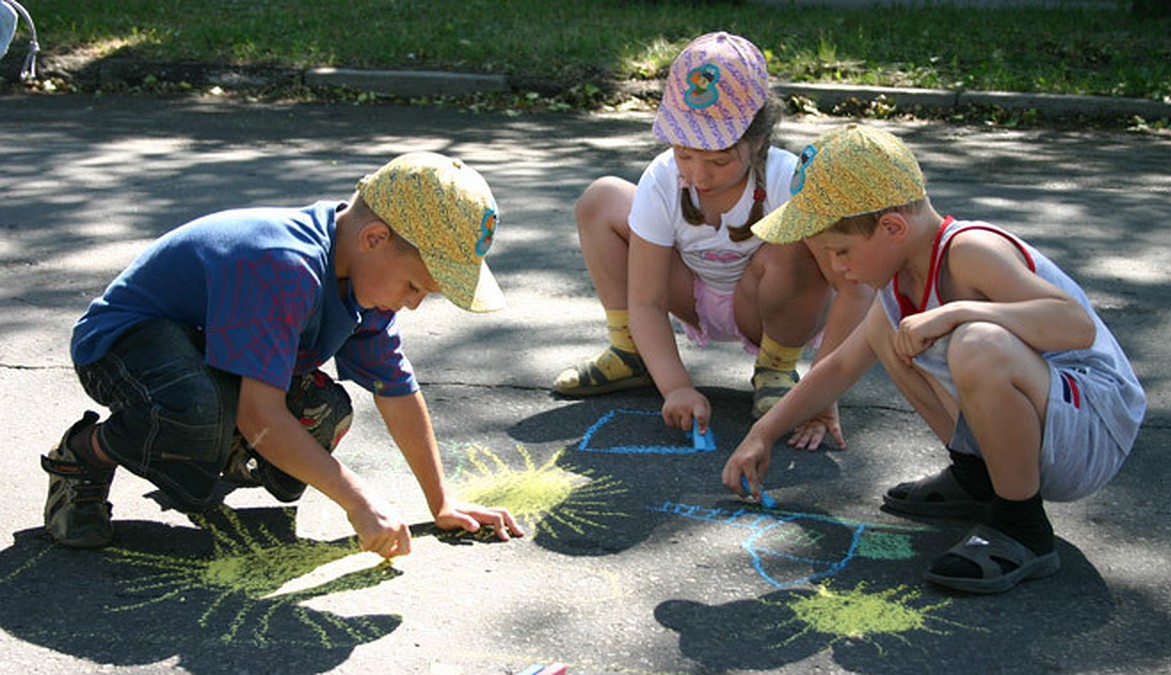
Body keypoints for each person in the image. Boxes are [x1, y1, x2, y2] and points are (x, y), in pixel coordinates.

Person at [722, 123, 1146, 594]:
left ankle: (1022, 526)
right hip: (1052, 421)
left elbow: (1076, 325)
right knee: (888, 334)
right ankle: (978, 478)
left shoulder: (969, 251)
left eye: (840, 251)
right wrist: (763, 434)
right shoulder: (895, 281)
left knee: (978, 344)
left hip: (1091, 424)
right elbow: (840, 365)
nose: (836, 268)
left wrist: (957, 312)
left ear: (892, 227)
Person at [43, 151, 525, 557]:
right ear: (374, 238)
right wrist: (358, 501)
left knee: (322, 413)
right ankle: (83, 456)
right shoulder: (284, 265)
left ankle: (212, 444)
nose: (414, 303)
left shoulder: (362, 280)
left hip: (204, 357)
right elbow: (261, 415)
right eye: (415, 286)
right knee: (195, 411)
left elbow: (395, 390)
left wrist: (441, 502)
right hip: (124, 347)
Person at [553, 32, 873, 436]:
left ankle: (775, 369)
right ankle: (634, 353)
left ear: (757, 143)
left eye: (719, 161)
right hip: (691, 293)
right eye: (684, 154)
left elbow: (855, 288)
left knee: (795, 236)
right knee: (602, 199)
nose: (698, 176)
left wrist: (821, 395)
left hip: (765, 307)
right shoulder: (664, 178)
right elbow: (648, 299)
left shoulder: (788, 177)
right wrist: (676, 388)